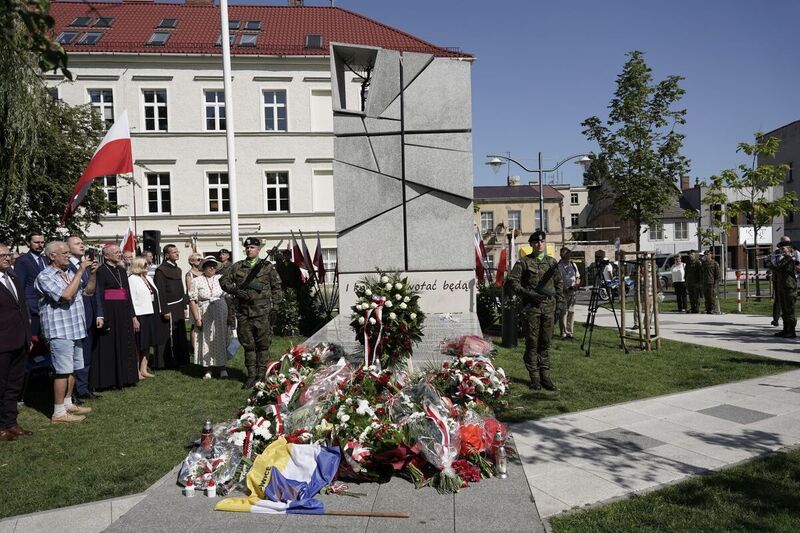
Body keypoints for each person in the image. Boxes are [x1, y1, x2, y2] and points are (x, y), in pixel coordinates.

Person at [35, 241, 97, 423]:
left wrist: (92, 274)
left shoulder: (69, 273)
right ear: (52, 256)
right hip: (59, 330)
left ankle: (68, 403)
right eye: (64, 253)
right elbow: (65, 295)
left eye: (69, 253)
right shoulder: (45, 276)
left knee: (73, 369)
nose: (68, 256)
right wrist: (80, 272)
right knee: (62, 371)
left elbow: (88, 292)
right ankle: (58, 412)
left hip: (75, 328)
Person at [220, 237, 282, 389]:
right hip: (244, 312)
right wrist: (234, 290)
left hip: (263, 312)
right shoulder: (237, 267)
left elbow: (276, 287)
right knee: (248, 345)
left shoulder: (267, 267)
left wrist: (276, 308)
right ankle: (251, 376)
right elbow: (223, 281)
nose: (249, 250)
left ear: (259, 249)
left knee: (263, 345)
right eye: (247, 248)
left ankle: (262, 376)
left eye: (253, 247)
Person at [508, 231, 564, 391]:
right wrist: (528, 294)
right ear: (531, 244)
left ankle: (545, 376)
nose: (540, 244)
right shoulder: (524, 263)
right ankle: (534, 377)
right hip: (532, 309)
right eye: (536, 242)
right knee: (532, 342)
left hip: (549, 308)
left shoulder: (552, 263)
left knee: (545, 342)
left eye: (542, 241)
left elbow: (559, 284)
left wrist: (560, 303)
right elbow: (513, 282)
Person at [92, 244, 140, 389]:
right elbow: (99, 294)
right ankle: (109, 380)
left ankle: (127, 377)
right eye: (116, 252)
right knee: (110, 345)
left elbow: (127, 294)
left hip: (124, 312)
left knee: (126, 343)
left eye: (120, 252)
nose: (120, 254)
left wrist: (133, 316)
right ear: (106, 256)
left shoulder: (121, 270)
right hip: (110, 312)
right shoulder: (101, 271)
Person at [0, 243, 32, 440]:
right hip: (2, 343)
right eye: (2, 254)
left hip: (19, 340)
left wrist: (27, 337)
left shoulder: (12, 276)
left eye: (8, 253)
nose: (7, 257)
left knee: (14, 386)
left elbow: (23, 308)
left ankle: (11, 422)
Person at [66, 236, 101, 401]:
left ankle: (82, 388)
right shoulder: (65, 266)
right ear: (67, 246)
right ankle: (69, 393)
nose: (82, 245)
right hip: (72, 317)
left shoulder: (86, 265)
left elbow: (93, 292)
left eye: (82, 243)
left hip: (87, 315)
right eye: (77, 243)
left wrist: (99, 313)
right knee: (72, 357)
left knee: (85, 355)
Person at [189, 257, 230, 379]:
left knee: (220, 337)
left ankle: (222, 367)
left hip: (220, 311)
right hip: (204, 311)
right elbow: (192, 300)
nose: (212, 268)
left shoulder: (220, 279)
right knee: (205, 338)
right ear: (204, 267)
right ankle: (208, 369)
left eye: (213, 265)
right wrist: (197, 319)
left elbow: (229, 294)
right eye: (209, 265)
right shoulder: (196, 281)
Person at [154, 244, 190, 369]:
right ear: (167, 255)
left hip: (179, 306)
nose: (177, 253)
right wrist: (164, 310)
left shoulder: (178, 269)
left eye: (177, 251)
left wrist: (184, 305)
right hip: (168, 307)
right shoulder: (161, 270)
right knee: (167, 335)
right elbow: (160, 292)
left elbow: (181, 288)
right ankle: (167, 362)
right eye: (174, 252)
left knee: (179, 333)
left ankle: (181, 359)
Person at [128, 257, 162, 379]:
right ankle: (136, 370)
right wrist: (134, 318)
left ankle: (144, 369)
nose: (147, 267)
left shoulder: (148, 278)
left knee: (147, 343)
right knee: (139, 343)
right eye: (144, 265)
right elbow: (130, 300)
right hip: (140, 314)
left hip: (151, 313)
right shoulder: (132, 279)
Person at [14, 232, 47, 338]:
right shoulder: (22, 261)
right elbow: (20, 288)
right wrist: (26, 311)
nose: (40, 245)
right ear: (28, 243)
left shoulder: (46, 260)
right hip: (33, 310)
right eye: (36, 242)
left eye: (42, 242)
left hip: (46, 308)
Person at [773, 241, 798, 338]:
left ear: (789, 249)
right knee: (784, 310)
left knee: (790, 311)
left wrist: (769, 262)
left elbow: (778, 268)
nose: (781, 250)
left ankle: (791, 331)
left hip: (789, 288)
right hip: (782, 287)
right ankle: (785, 329)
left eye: (783, 249)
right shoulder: (783, 259)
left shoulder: (789, 259)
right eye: (780, 249)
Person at [557, 246, 580, 339]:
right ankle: (563, 332)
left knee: (571, 312)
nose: (569, 256)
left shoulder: (573, 265)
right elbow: (557, 280)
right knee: (563, 313)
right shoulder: (559, 266)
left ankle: (570, 332)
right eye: (567, 255)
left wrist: (577, 284)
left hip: (572, 292)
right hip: (563, 292)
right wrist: (563, 288)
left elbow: (578, 277)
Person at [185, 253, 202, 355]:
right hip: (195, 303)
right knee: (195, 326)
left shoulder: (203, 272)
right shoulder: (189, 274)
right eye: (198, 259)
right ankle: (194, 349)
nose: (200, 261)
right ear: (192, 262)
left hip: (204, 303)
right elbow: (190, 291)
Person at [701, 250, 721, 314]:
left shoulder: (714, 263)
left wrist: (716, 282)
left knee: (711, 296)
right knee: (706, 296)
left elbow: (717, 274)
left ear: (711, 255)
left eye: (707, 254)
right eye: (705, 255)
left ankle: (712, 308)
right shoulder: (703, 263)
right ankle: (707, 308)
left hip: (711, 282)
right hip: (704, 282)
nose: (706, 256)